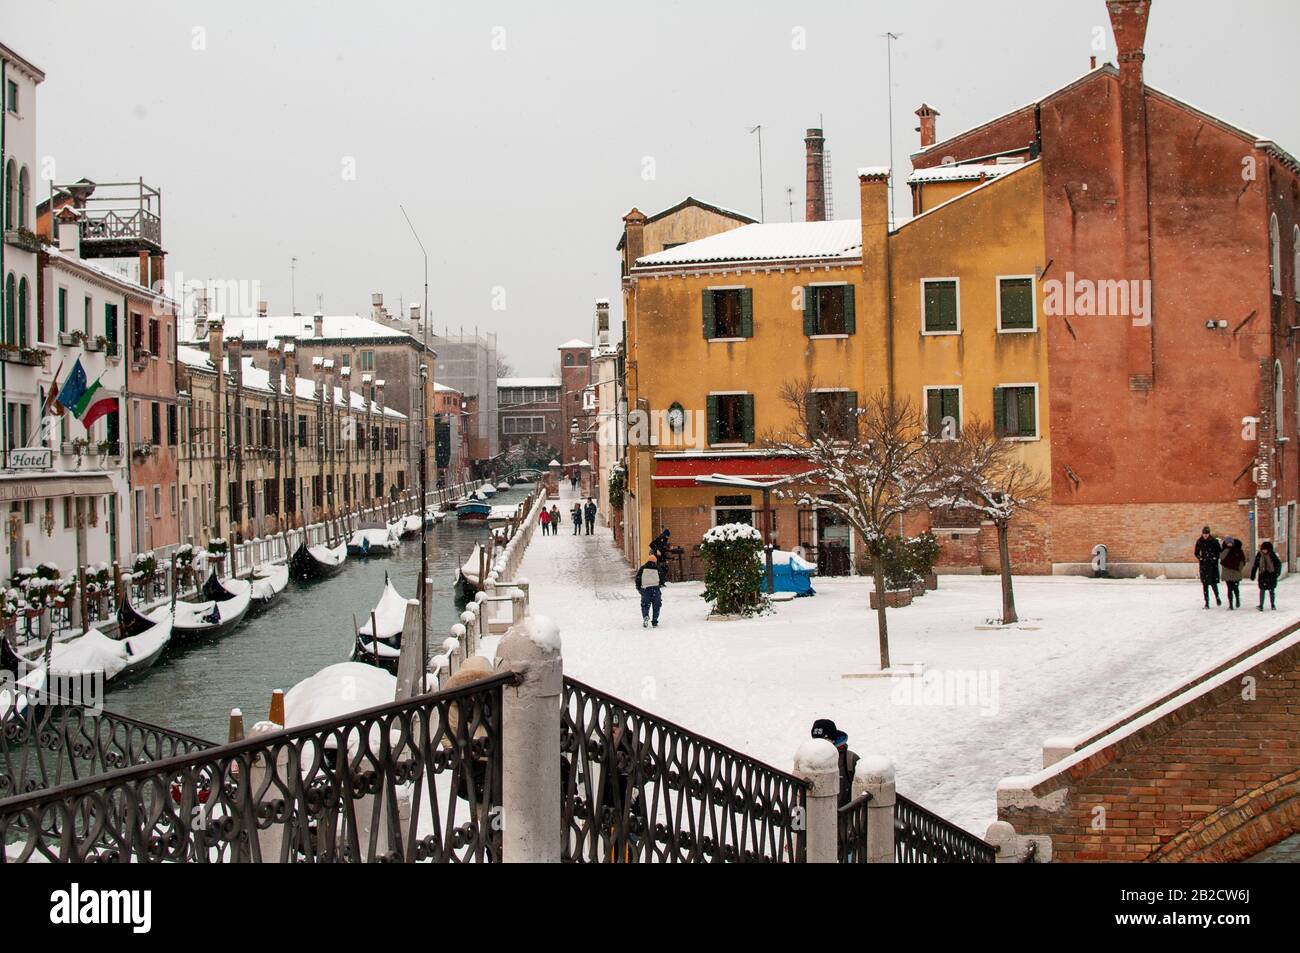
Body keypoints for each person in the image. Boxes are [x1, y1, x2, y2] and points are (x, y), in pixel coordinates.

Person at [811, 718, 859, 807]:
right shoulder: (807, 758)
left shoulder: (850, 759)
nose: (819, 745)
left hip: (843, 817)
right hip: (814, 818)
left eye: (824, 740)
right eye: (815, 740)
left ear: (833, 739)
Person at [1194, 526, 1222, 608]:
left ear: (1209, 534)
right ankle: (1207, 603)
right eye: (1204, 534)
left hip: (1212, 565)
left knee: (1213, 584)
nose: (1205, 535)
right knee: (1205, 585)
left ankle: (1217, 598)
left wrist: (1215, 557)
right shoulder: (1199, 541)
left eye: (1207, 534)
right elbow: (1196, 553)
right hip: (1204, 566)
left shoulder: (1214, 541)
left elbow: (1219, 551)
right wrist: (1200, 557)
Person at [635, 551, 664, 628]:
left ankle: (645, 616)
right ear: (655, 561)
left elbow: (638, 579)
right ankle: (654, 622)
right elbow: (662, 579)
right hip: (655, 589)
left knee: (645, 605)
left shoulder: (642, 568)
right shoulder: (658, 568)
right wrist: (660, 584)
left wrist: (639, 588)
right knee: (656, 605)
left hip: (645, 590)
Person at [1251, 540, 1282, 611]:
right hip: (1262, 575)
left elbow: (1278, 564)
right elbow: (1255, 565)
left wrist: (1277, 573)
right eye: (1263, 549)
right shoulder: (1259, 555)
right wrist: (1253, 574)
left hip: (1271, 575)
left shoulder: (1272, 555)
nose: (1264, 551)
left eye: (1266, 549)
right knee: (1262, 590)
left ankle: (1273, 604)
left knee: (1271, 590)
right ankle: (1261, 605)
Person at [1220, 537, 1246, 610]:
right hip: (1227, 572)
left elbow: (1242, 560)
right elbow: (1221, 557)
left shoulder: (1238, 550)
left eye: (1230, 543)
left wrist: (1239, 568)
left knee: (1235, 588)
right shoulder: (1224, 550)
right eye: (1228, 543)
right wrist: (1227, 549)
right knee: (1229, 589)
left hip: (1236, 572)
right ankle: (1230, 604)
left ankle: (1237, 599)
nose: (1229, 544)